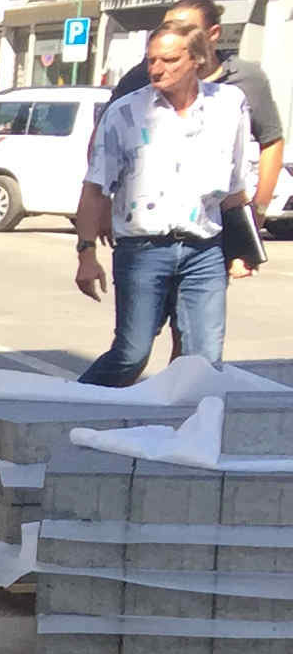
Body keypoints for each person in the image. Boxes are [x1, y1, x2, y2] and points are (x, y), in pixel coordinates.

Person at [72, 28, 257, 386]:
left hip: (204, 251)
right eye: (151, 59)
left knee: (204, 362)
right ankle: (69, 408)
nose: (157, 68)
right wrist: (86, 253)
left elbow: (235, 186)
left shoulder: (229, 105)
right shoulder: (125, 112)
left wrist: (243, 250)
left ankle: (189, 422)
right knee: (130, 354)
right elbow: (95, 187)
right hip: (142, 250)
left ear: (198, 60)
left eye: (169, 60)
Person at [106, 0, 282, 228]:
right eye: (168, 27)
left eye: (185, 30)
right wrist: (104, 203)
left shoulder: (245, 81)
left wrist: (258, 208)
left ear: (213, 33)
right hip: (154, 223)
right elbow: (102, 142)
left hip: (223, 216)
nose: (174, 36)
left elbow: (271, 142)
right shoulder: (142, 77)